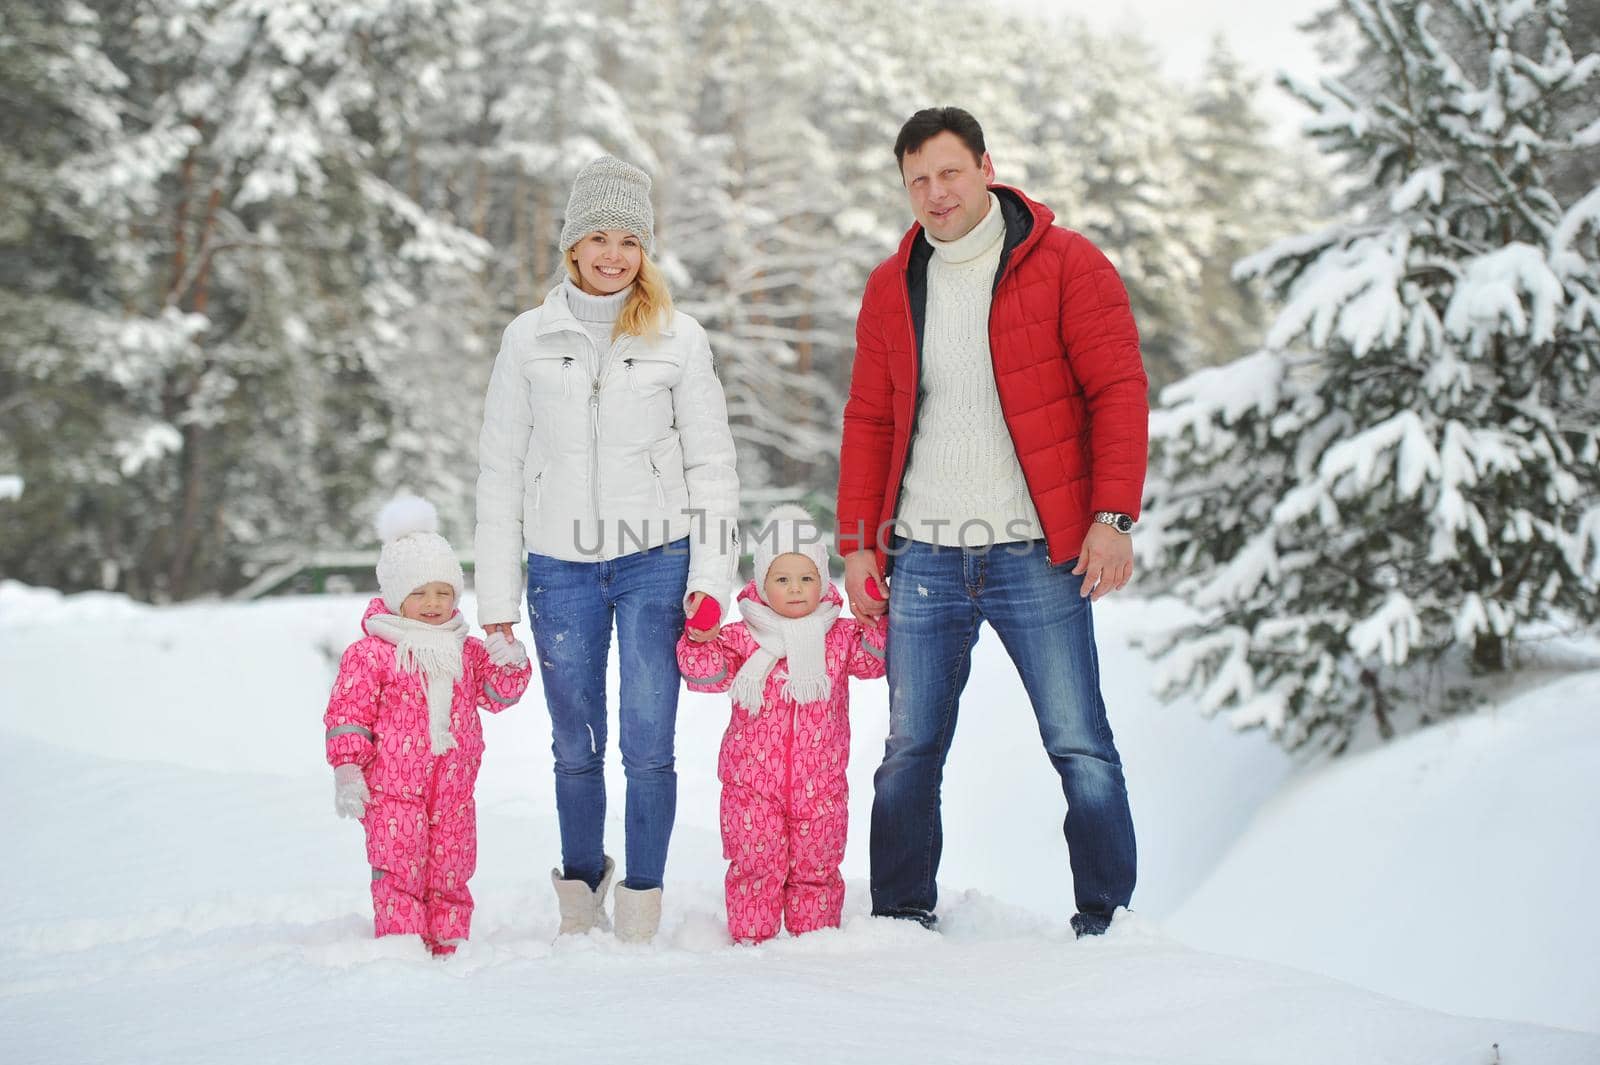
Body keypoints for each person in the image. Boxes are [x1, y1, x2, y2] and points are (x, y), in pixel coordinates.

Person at [835, 107, 1147, 937]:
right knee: (908, 751)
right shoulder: (892, 282)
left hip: (1036, 552)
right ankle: (900, 914)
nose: (934, 194)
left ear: (985, 167)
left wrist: (1112, 517)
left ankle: (1107, 921)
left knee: (1079, 743)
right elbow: (869, 417)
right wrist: (860, 543)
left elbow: (1117, 390)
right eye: (916, 182)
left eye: (948, 173)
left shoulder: (1067, 265)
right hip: (925, 553)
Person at [475, 155, 740, 943]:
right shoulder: (526, 339)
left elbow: (712, 464)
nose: (613, 253)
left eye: (629, 239)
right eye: (598, 235)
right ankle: (582, 891)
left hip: (657, 559)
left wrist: (712, 577)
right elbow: (498, 472)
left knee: (649, 742)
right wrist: (496, 606)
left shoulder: (678, 339)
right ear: (572, 243)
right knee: (574, 743)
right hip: (560, 568)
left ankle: (643, 905)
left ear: (646, 249)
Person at [322, 495, 533, 956]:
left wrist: (510, 663)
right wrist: (347, 769)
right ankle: (401, 948)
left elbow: (498, 696)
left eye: (443, 592)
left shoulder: (465, 648)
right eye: (419, 593)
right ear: (397, 596)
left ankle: (448, 943)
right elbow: (348, 714)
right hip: (392, 790)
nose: (433, 603)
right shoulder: (373, 653)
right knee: (398, 867)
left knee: (451, 868)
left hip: (454, 789)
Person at [675, 505, 887, 943]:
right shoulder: (741, 636)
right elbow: (703, 671)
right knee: (756, 862)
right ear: (762, 583)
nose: (795, 590)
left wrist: (876, 618)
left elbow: (874, 660)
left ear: (824, 582)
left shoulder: (840, 636)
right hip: (751, 785)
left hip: (822, 785)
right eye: (782, 579)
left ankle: (814, 941)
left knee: (818, 863)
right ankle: (753, 940)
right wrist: (698, 634)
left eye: (807, 578)